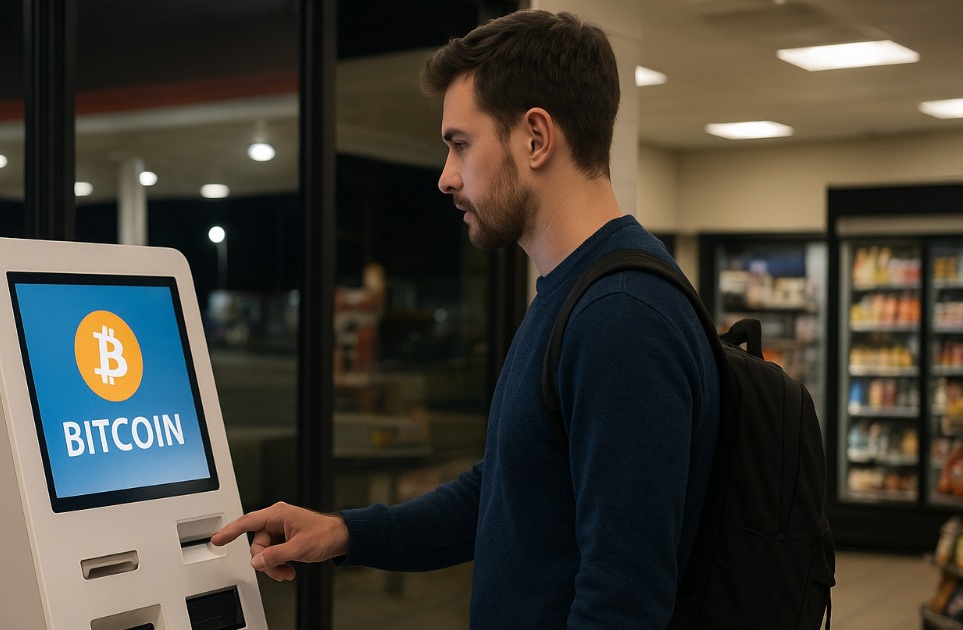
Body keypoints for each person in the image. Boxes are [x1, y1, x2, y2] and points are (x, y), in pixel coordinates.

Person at [211, 9, 720, 627]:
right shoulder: (573, 295)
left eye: (460, 144)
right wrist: (342, 532)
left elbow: (623, 601)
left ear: (535, 137)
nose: (446, 177)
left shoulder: (622, 320)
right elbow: (505, 495)